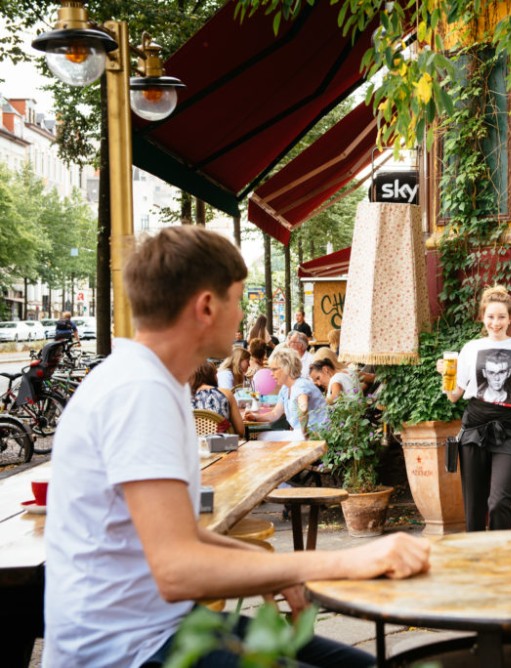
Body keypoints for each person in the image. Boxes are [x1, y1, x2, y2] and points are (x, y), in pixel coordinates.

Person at [43, 226, 430, 668]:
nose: (244, 318)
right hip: (129, 652)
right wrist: (341, 563)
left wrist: (269, 569)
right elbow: (176, 570)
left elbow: (182, 540)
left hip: (161, 631)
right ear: (207, 305)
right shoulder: (140, 391)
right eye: (239, 300)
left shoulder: (146, 380)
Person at [435, 286, 511, 532]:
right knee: (474, 506)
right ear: (482, 317)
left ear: (510, 318)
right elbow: (454, 396)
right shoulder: (470, 349)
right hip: (475, 426)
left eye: (501, 317)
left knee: (499, 502)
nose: (496, 323)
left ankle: (501, 551)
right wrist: (446, 375)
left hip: (510, 427)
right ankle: (477, 558)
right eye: (491, 317)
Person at [245, 347, 329, 441]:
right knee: (264, 437)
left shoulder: (300, 385)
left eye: (274, 369)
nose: (271, 374)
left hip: (316, 435)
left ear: (287, 369)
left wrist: (304, 432)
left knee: (265, 438)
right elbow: (275, 414)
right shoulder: (285, 388)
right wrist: (256, 417)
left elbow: (303, 407)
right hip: (302, 434)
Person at [190, 360, 245, 436]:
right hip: (224, 445)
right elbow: (240, 430)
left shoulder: (186, 398)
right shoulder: (226, 393)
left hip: (196, 446)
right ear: (212, 375)